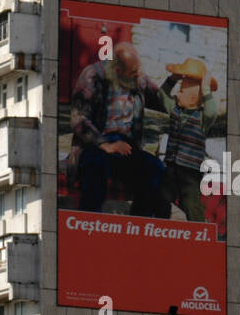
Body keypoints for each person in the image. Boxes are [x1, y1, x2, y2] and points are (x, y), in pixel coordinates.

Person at [69, 41, 167, 217]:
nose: (137, 76)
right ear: (118, 71)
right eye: (132, 73)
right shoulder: (93, 76)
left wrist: (173, 83)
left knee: (155, 170)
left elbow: (161, 100)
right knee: (94, 168)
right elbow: (78, 118)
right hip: (95, 143)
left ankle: (138, 226)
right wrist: (104, 144)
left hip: (126, 146)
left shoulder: (138, 77)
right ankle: (89, 223)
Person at [155, 57, 221, 227]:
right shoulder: (176, 111)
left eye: (182, 91)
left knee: (191, 203)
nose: (177, 93)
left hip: (190, 172)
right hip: (171, 166)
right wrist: (173, 79)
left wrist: (206, 90)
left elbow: (212, 112)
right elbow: (161, 95)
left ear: (193, 99)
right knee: (162, 197)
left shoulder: (202, 118)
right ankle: (160, 225)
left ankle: (199, 229)